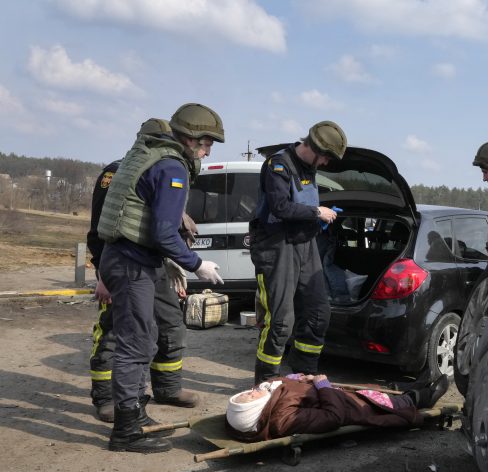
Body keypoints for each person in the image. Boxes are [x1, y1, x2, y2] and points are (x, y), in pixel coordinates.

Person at [96, 103, 226, 453]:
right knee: (135, 343)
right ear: (189, 137)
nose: (208, 149)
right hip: (132, 264)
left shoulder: (149, 155)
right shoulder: (172, 167)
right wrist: (196, 263)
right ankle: (126, 430)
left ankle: (136, 413)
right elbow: (166, 232)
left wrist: (166, 262)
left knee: (147, 336)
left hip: (133, 258)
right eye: (206, 142)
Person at [86, 119, 201, 423]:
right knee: (115, 332)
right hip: (122, 261)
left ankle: (167, 387)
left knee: (170, 323)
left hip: (153, 261)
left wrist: (176, 261)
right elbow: (100, 229)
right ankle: (107, 398)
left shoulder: (162, 167)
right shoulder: (118, 172)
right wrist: (102, 276)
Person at [249, 121, 347, 383]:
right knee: (281, 321)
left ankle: (305, 376)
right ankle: (265, 382)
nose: (325, 164)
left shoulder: (309, 167)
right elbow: (280, 206)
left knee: (318, 313)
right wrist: (317, 212)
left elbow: (301, 204)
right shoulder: (278, 165)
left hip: (305, 244)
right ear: (314, 148)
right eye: (325, 157)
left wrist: (319, 219)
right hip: (277, 246)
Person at [225, 373, 450, 442]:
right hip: (350, 407)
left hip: (339, 393)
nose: (249, 391)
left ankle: (412, 387)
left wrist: (292, 378)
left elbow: (275, 383)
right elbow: (333, 417)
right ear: (255, 408)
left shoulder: (267, 395)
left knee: (379, 387)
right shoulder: (283, 418)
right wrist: (322, 387)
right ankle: (423, 397)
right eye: (249, 396)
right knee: (389, 403)